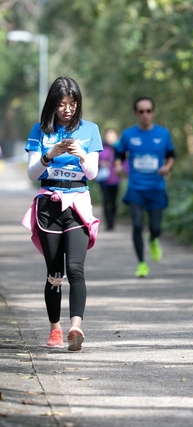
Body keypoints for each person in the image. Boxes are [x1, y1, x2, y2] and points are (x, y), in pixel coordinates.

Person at [21, 77, 102, 351]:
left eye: (72, 103)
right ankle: (55, 329)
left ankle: (75, 327)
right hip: (49, 205)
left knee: (76, 269)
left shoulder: (90, 130)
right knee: (55, 273)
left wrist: (81, 154)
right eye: (62, 104)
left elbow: (92, 173)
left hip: (77, 204)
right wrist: (50, 154)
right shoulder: (40, 131)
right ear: (53, 105)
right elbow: (32, 173)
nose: (67, 109)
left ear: (78, 103)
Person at [114, 97, 175, 278]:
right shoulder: (128, 135)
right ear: (136, 114)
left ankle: (154, 239)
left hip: (156, 187)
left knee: (155, 227)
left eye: (148, 111)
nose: (145, 115)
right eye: (141, 111)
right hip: (136, 188)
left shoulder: (163, 134)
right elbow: (119, 155)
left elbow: (171, 155)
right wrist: (118, 166)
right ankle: (141, 263)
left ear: (153, 112)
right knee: (137, 225)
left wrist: (168, 167)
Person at [97, 128, 121, 231]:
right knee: (106, 201)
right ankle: (108, 223)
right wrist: (101, 163)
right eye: (109, 136)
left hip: (115, 179)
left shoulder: (119, 148)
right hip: (104, 180)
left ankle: (113, 220)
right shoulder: (101, 148)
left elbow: (124, 162)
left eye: (113, 136)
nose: (110, 138)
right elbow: (95, 160)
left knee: (114, 202)